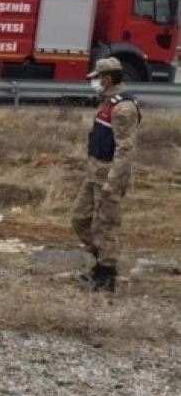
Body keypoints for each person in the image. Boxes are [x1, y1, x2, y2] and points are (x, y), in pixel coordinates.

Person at [71, 56, 141, 292]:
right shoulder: (108, 102)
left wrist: (113, 182)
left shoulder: (124, 108)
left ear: (108, 78)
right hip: (94, 172)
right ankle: (100, 259)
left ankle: (105, 273)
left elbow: (125, 149)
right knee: (80, 219)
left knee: (106, 226)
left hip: (108, 176)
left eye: (99, 77)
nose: (97, 82)